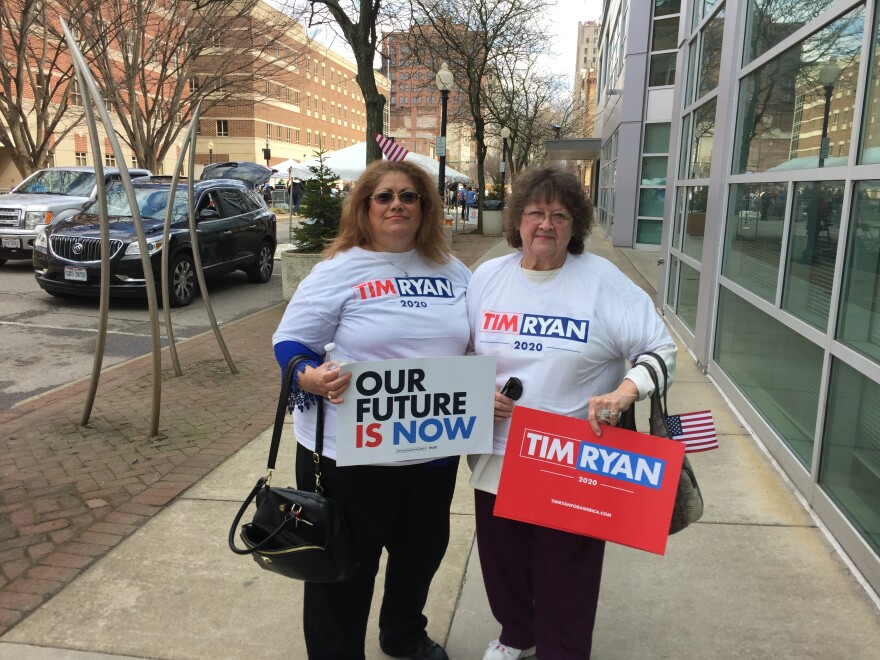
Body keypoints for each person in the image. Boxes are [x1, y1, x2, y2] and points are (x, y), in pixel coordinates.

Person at [466, 165, 677, 660]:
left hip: (572, 458)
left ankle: (562, 650)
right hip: (496, 451)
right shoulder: (487, 278)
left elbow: (659, 350)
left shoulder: (603, 282)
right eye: (535, 212)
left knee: (567, 571)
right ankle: (517, 633)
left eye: (559, 215)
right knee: (504, 563)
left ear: (575, 225)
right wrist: (472, 392)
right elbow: (461, 351)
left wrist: (625, 391)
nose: (545, 224)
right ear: (517, 220)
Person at [272, 159, 472, 660]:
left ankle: (403, 635)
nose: (397, 204)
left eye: (409, 196)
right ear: (364, 208)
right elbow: (290, 341)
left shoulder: (453, 271)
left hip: (432, 453)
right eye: (384, 196)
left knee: (419, 557)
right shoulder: (340, 269)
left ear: (426, 208)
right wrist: (309, 376)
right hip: (349, 458)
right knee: (342, 568)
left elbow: (476, 342)